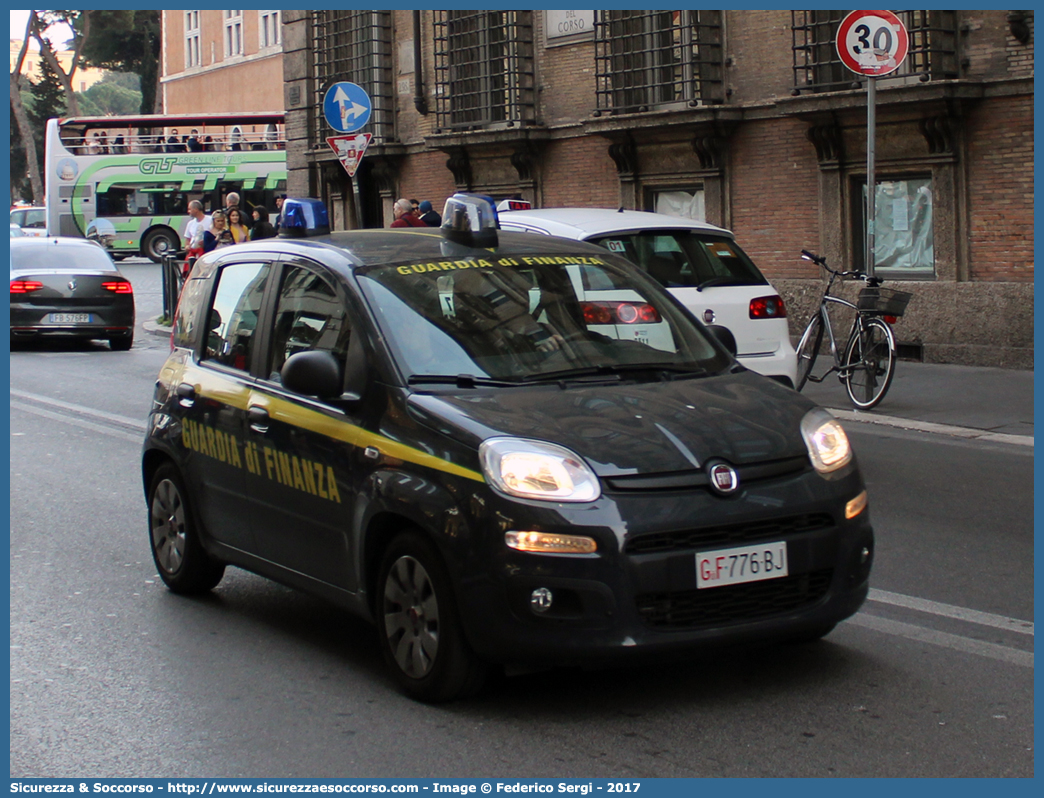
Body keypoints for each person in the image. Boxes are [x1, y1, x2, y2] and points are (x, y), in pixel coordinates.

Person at [183, 200, 212, 273]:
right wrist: (187, 247)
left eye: (189, 209)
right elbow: (187, 239)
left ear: (195, 209)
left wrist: (206, 242)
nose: (188, 211)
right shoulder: (190, 223)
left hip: (206, 252)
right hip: (193, 253)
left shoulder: (210, 220)